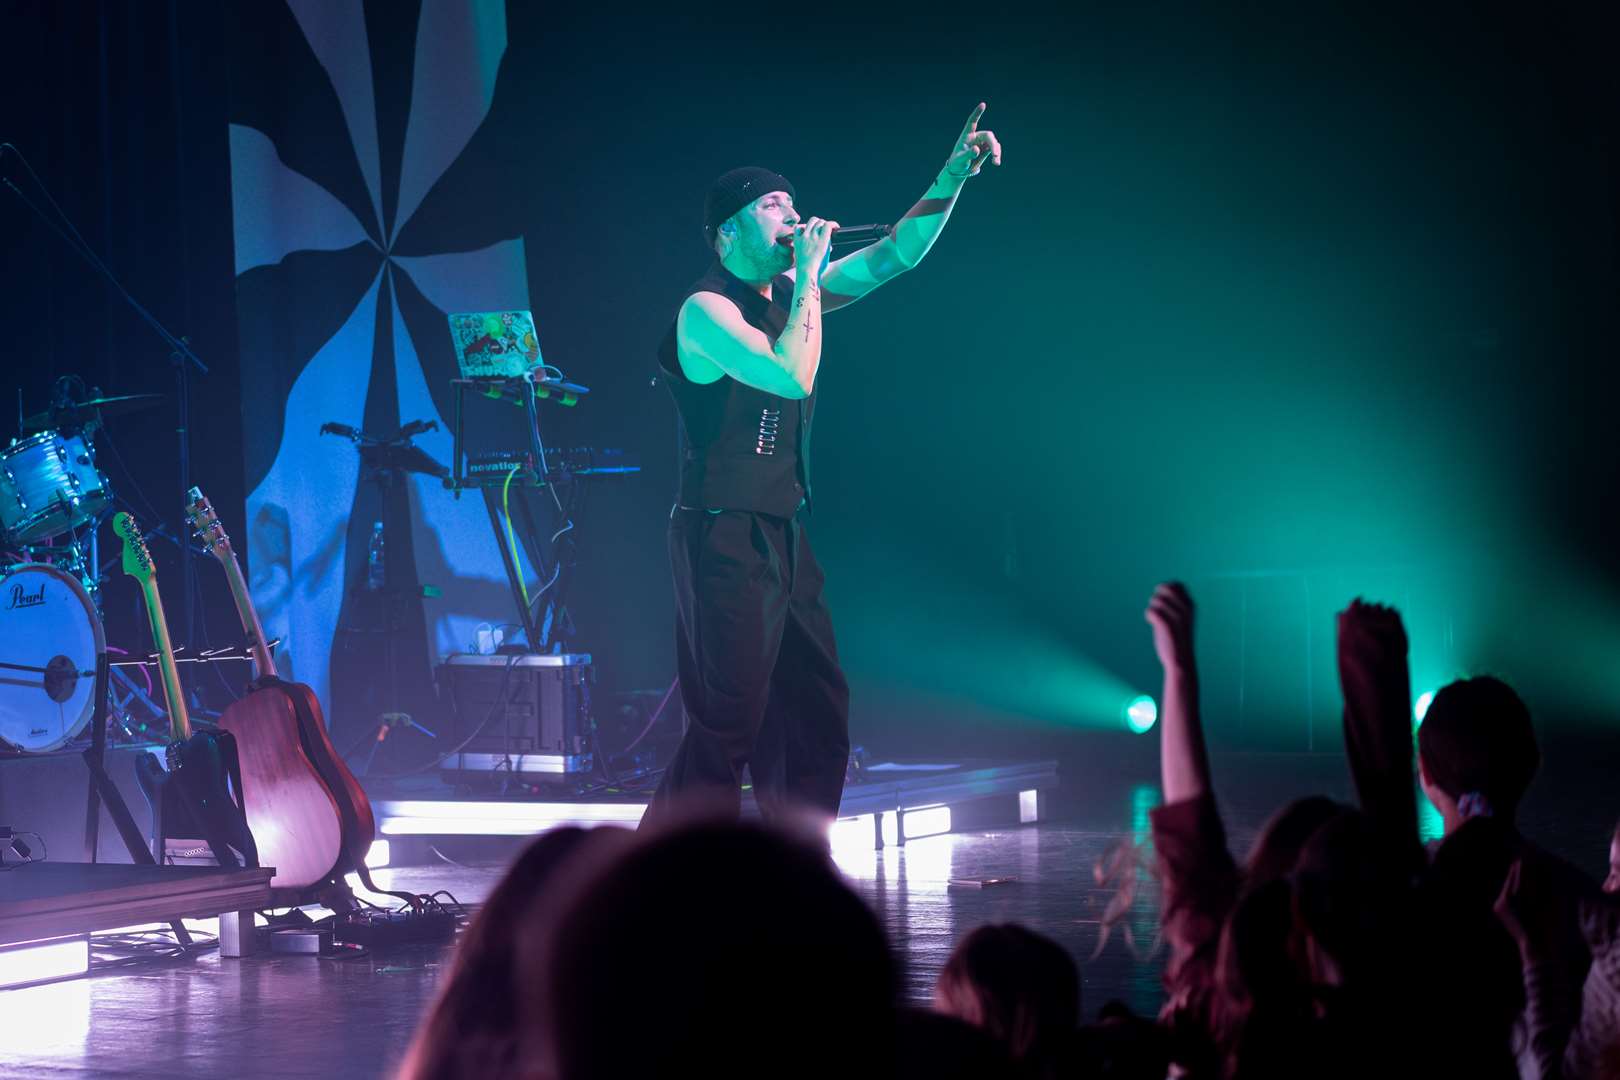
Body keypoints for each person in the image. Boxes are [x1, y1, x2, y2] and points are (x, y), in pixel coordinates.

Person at [646, 105, 1003, 824]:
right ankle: (662, 871)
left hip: (782, 527)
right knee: (729, 721)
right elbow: (790, 375)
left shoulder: (791, 295)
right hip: (722, 533)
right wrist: (809, 274)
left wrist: (952, 176)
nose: (791, 214)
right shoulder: (705, 311)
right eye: (771, 205)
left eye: (792, 202)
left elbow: (895, 254)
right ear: (726, 232)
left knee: (815, 708)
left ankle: (797, 859)